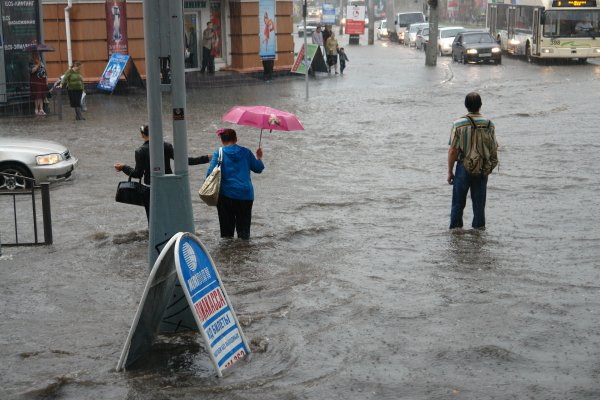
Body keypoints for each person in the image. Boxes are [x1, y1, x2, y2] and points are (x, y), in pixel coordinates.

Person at [114, 125, 212, 221]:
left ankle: (154, 236)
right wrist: (206, 158)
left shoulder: (140, 151)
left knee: (153, 220)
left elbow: (137, 174)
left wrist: (123, 167)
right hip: (169, 186)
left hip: (151, 188)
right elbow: (185, 161)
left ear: (142, 135)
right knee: (171, 215)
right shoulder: (166, 146)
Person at [447, 92, 498, 230]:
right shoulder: (489, 124)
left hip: (463, 166)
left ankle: (456, 236)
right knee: (479, 205)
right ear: (480, 106)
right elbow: (494, 148)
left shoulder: (458, 124)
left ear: (466, 106)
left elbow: (453, 151)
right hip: (481, 167)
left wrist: (450, 172)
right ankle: (479, 236)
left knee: (458, 204)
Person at [206, 128, 264, 239]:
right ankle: (243, 254)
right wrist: (259, 158)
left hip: (225, 196)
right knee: (244, 234)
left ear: (222, 140)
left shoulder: (219, 152)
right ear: (236, 139)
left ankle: (228, 254)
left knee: (226, 235)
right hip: (245, 196)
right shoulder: (246, 152)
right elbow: (258, 168)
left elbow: (210, 174)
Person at [29, 51, 47, 116]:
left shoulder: (41, 62)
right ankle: (36, 109)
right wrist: (37, 66)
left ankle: (41, 109)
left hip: (41, 80)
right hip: (35, 80)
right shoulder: (31, 62)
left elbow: (44, 71)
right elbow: (32, 71)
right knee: (37, 95)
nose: (38, 56)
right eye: (36, 55)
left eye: (38, 55)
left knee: (41, 95)